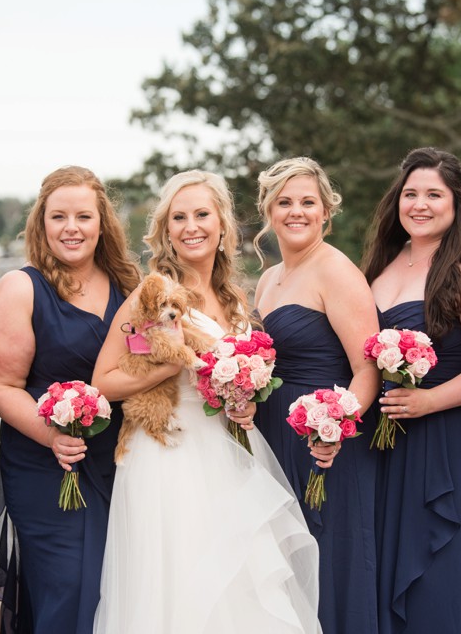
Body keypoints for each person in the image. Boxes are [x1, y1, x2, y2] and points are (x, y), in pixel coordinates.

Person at [92, 170, 322, 634]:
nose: (190, 225)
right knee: (178, 591)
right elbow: (104, 381)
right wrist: (180, 365)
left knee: (237, 591)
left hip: (228, 454)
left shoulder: (235, 299)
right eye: (178, 217)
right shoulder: (152, 294)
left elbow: (238, 380)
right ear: (166, 230)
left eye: (201, 214)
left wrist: (245, 401)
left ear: (222, 227)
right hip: (167, 456)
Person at [0, 166, 140, 634]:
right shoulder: (21, 288)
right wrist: (52, 436)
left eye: (84, 216)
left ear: (102, 223)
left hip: (117, 465)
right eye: (59, 216)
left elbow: (144, 371)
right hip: (48, 466)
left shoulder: (129, 288)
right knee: (68, 587)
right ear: (41, 224)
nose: (72, 228)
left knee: (113, 589)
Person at [361, 147, 461, 633]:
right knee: (382, 555)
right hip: (384, 438)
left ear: (455, 203)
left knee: (435, 569)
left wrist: (428, 400)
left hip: (446, 438)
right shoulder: (383, 262)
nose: (419, 204)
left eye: (433, 194)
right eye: (410, 194)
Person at [252, 157, 381, 632]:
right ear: (269, 211)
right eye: (284, 202)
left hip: (323, 442)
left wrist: (334, 427)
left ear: (327, 212)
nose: (296, 212)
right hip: (271, 434)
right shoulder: (269, 278)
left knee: (327, 557)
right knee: (285, 559)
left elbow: (367, 369)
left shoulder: (336, 271)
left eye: (308, 202)